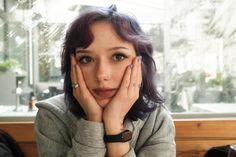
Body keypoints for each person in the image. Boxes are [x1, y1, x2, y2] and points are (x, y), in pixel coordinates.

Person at [34, 5, 176, 157]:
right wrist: (93, 120)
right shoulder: (52, 115)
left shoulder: (157, 118)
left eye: (118, 56)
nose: (101, 74)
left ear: (141, 64)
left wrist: (114, 124)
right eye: (86, 59)